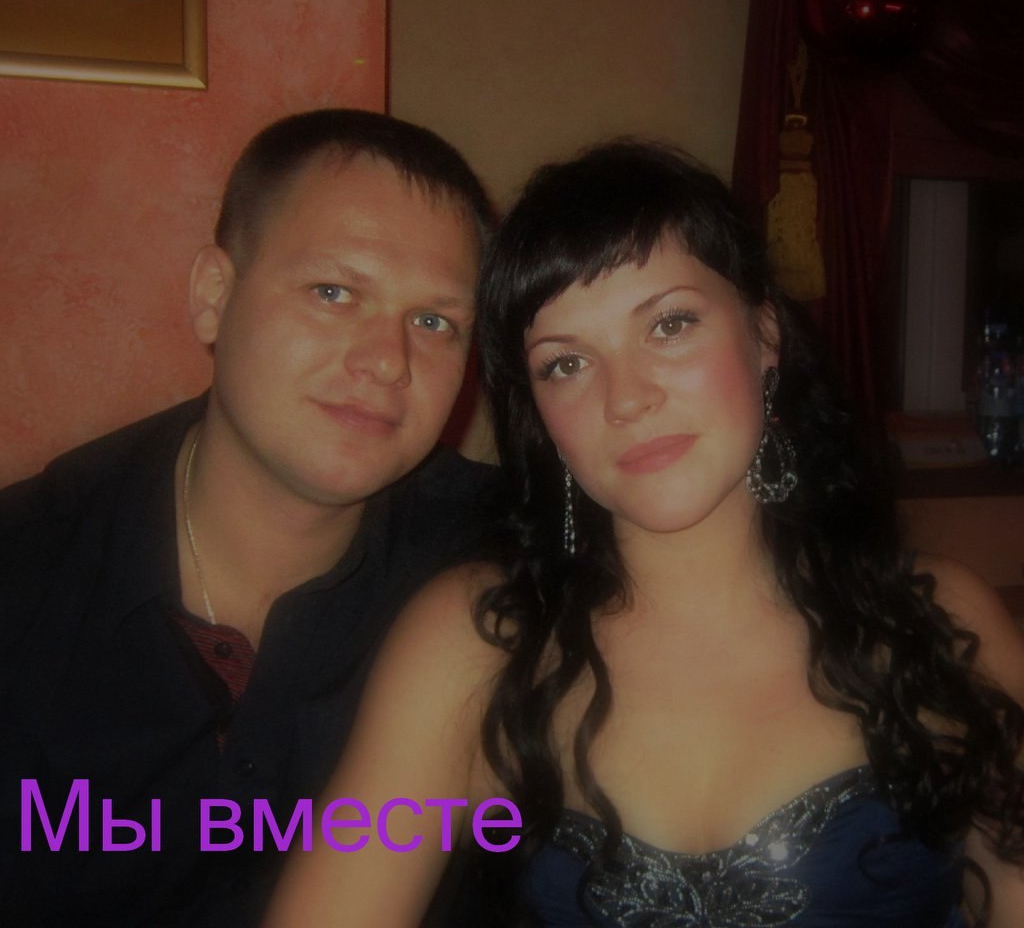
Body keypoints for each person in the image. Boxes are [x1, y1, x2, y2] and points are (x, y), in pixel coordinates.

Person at [265, 140, 1024, 928]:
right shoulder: (478, 647)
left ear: (764, 334)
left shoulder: (941, 623)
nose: (626, 398)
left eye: (669, 324)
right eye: (566, 364)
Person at [0, 109, 501, 927]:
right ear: (213, 297)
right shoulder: (25, 577)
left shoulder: (509, 563)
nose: (388, 360)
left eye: (434, 321)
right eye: (334, 292)